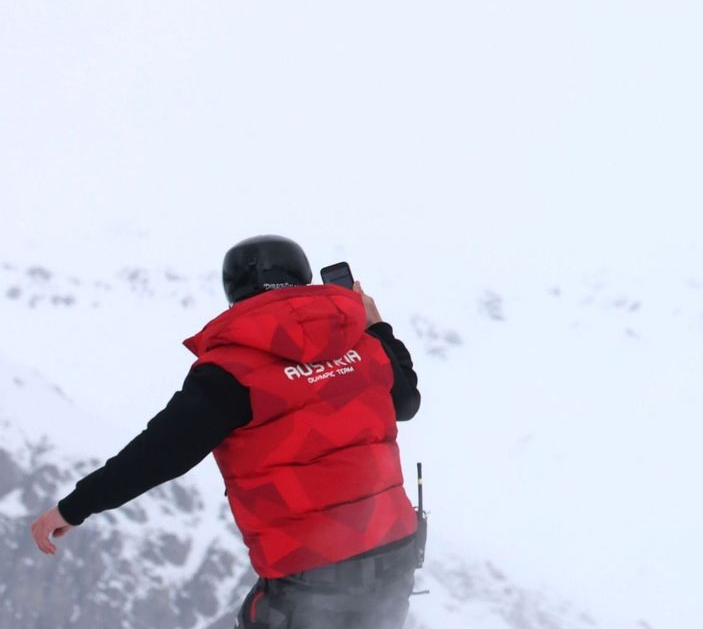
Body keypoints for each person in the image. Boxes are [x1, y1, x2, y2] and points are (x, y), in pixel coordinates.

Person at [29, 235, 423, 629]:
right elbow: (406, 404)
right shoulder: (362, 344)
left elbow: (159, 454)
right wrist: (378, 328)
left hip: (311, 571)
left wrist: (74, 507)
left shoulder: (231, 370)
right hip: (394, 552)